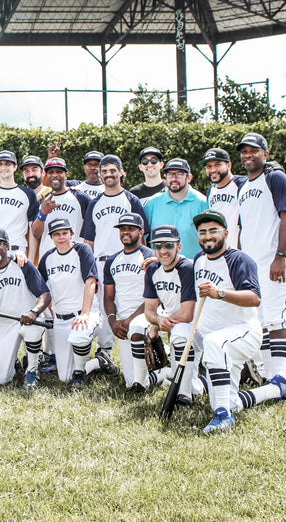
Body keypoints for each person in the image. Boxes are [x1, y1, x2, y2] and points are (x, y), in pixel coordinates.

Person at [192, 209, 286, 434]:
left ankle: (223, 417)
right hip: (218, 341)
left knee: (214, 342)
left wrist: (219, 293)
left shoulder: (239, 259)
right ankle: (275, 389)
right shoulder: (198, 260)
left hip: (243, 333)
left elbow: (254, 298)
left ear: (226, 232)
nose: (207, 236)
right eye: (202, 232)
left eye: (213, 230)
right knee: (230, 400)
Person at [236, 132, 286, 382]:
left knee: (275, 318)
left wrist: (280, 256)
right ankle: (264, 375)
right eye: (244, 151)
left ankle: (280, 377)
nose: (248, 155)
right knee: (259, 320)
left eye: (254, 150)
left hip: (276, 260)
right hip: (254, 263)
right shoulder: (243, 185)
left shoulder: (275, 178)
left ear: (266, 153)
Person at [80, 154, 149, 360]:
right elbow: (89, 241)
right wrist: (88, 269)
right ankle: (105, 351)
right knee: (103, 307)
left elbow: (143, 234)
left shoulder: (131, 200)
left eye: (113, 170)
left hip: (129, 260)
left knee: (131, 303)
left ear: (121, 172)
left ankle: (140, 345)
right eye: (104, 171)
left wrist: (144, 262)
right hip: (101, 262)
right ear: (100, 174)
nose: (109, 175)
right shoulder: (95, 203)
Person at [37, 218, 114, 388]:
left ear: (71, 234)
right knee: (64, 377)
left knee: (80, 336)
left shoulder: (82, 250)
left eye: (65, 233)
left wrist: (85, 313)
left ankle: (80, 373)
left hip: (84, 313)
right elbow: (42, 289)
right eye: (56, 234)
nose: (61, 237)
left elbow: (91, 282)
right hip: (61, 320)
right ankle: (98, 362)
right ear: (51, 237)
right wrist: (53, 311)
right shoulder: (48, 258)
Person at [0, 228, 51, 388]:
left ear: (7, 245)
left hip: (30, 318)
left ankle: (32, 370)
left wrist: (34, 312)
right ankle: (13, 362)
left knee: (31, 330)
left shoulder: (22, 264)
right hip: (6, 324)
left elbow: (45, 294)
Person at [139, 224, 199, 403]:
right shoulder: (152, 269)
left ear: (179, 247)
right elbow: (148, 309)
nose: (163, 250)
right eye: (157, 246)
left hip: (198, 326)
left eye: (169, 245)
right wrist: (157, 320)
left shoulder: (187, 268)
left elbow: (187, 314)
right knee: (195, 383)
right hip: (175, 323)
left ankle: (183, 395)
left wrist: (158, 325)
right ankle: (170, 376)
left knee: (180, 336)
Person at [101, 213, 156, 389]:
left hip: (145, 316)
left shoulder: (150, 257)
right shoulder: (112, 260)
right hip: (123, 323)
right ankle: (161, 372)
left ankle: (161, 372)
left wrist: (130, 320)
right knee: (129, 382)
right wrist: (112, 322)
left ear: (141, 232)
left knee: (140, 383)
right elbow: (108, 296)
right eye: (122, 229)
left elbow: (155, 297)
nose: (126, 232)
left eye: (131, 229)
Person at [143, 158, 208, 256]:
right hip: (160, 268)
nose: (174, 179)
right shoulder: (152, 203)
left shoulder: (202, 203)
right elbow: (141, 236)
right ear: (165, 177)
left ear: (189, 178)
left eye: (179, 174)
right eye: (170, 174)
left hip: (193, 267)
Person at [31, 157, 90, 246]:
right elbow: (36, 234)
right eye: (51, 172)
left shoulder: (80, 198)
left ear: (66, 175)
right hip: (48, 256)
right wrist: (42, 213)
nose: (55, 175)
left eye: (59, 171)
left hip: (74, 255)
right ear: (46, 175)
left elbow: (91, 231)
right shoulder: (42, 201)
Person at [202, 147, 246, 249]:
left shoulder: (242, 184)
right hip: (221, 251)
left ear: (229, 165)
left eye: (218, 164)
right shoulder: (211, 191)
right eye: (208, 166)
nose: (213, 170)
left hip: (242, 250)